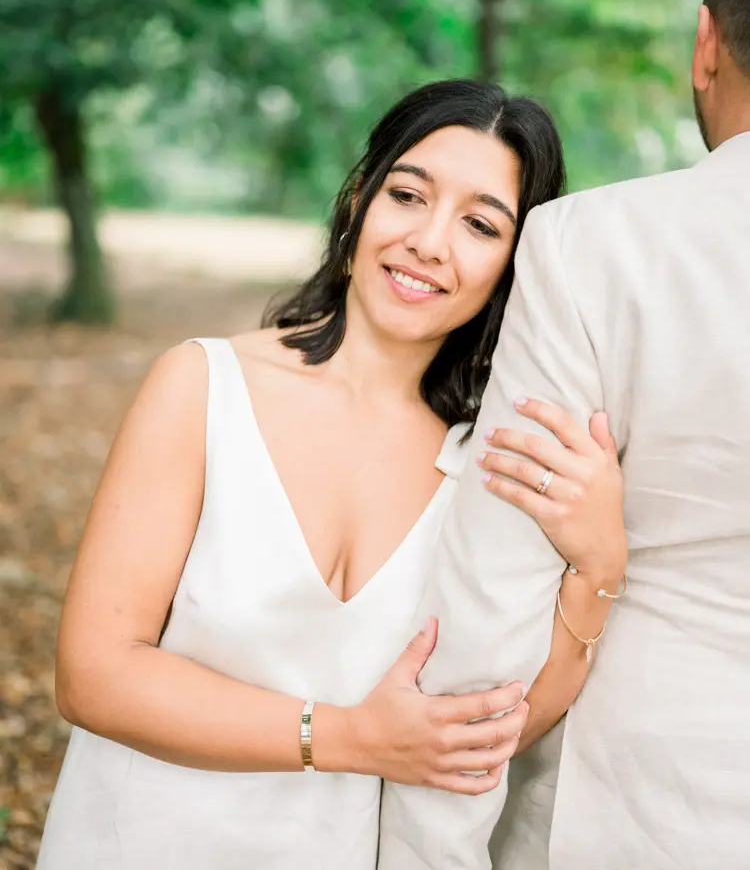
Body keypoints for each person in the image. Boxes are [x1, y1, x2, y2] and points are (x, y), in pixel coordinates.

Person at [36, 79, 626, 870]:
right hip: (133, 840)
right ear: (357, 201)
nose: (428, 241)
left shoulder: (487, 460)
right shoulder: (203, 386)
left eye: (480, 224)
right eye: (408, 195)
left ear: (513, 266)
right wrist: (348, 737)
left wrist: (598, 564)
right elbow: (94, 675)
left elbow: (486, 731)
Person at [378, 0, 750, 870]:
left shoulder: (599, 246)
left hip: (638, 798)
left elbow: (491, 592)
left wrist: (431, 852)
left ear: (706, 43)